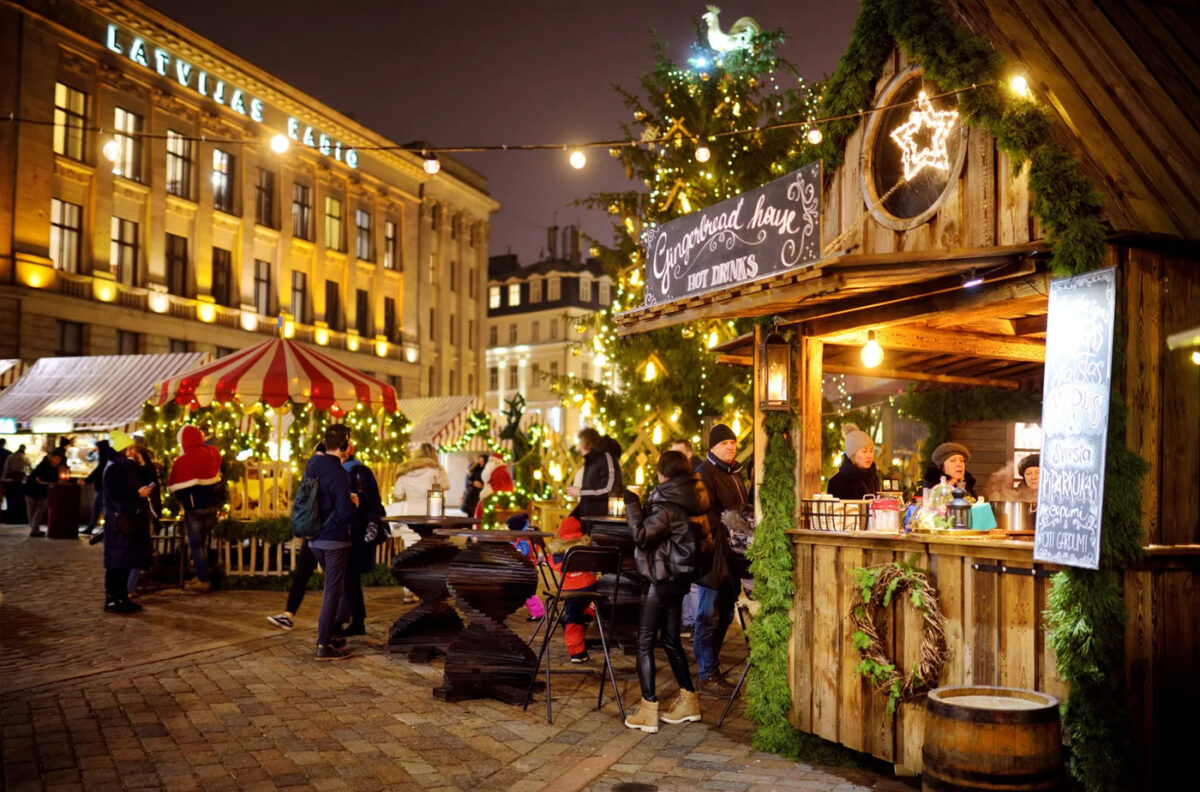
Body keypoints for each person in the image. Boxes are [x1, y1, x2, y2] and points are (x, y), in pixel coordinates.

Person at [622, 450, 711, 733]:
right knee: (671, 639)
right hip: (679, 580)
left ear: (663, 475)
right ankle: (689, 700)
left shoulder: (667, 506)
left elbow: (641, 536)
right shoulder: (694, 500)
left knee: (645, 642)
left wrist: (632, 504)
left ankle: (648, 710)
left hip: (659, 580)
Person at [694, 423, 749, 696]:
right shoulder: (704, 473)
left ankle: (711, 666)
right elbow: (701, 513)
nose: (731, 446)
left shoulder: (736, 473)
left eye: (733, 442)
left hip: (733, 555)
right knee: (708, 615)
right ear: (713, 447)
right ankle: (706, 673)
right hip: (713, 556)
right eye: (725, 443)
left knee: (726, 612)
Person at [304, 424, 358, 660]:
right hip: (334, 539)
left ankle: (331, 635)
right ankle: (323, 644)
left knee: (334, 588)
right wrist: (354, 502)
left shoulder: (311, 468)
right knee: (332, 592)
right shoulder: (339, 474)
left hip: (314, 538)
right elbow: (345, 513)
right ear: (345, 445)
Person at [101, 431, 153, 613]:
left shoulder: (128, 466)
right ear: (122, 450)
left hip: (130, 520)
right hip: (119, 522)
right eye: (130, 448)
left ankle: (122, 596)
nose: (133, 451)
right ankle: (112, 599)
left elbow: (149, 478)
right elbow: (115, 495)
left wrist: (143, 462)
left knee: (126, 560)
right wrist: (136, 494)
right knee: (117, 562)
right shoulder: (115, 468)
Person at [167, 425, 223, 593]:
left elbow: (178, 488)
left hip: (194, 509)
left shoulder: (183, 460)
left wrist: (183, 502)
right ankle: (201, 575)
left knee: (196, 546)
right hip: (211, 506)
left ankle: (204, 580)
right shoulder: (210, 453)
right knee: (203, 545)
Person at [339, 449, 385, 638]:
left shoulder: (355, 472)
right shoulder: (354, 471)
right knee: (351, 577)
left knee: (349, 575)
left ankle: (349, 619)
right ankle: (357, 620)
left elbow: (372, 501)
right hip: (358, 529)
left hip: (357, 531)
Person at [544, 515, 598, 663]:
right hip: (590, 588)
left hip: (570, 592)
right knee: (596, 600)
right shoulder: (588, 547)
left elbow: (550, 563)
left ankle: (577, 653)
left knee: (573, 619)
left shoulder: (559, 553)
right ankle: (589, 612)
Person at [126, 445, 162, 598]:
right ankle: (128, 588)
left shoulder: (145, 468)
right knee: (133, 550)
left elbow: (153, 484)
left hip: (142, 512)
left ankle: (130, 587)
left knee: (136, 550)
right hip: (132, 513)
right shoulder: (127, 467)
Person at [567, 427, 620, 518]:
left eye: (580, 443)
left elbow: (608, 488)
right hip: (589, 518)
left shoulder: (606, 457)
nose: (578, 448)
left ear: (587, 442)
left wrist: (581, 491)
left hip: (601, 519)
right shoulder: (591, 461)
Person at [826, 424, 880, 500]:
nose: (869, 456)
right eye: (864, 451)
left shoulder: (873, 477)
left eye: (871, 451)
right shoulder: (837, 482)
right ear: (852, 455)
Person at [25, 450, 64, 538]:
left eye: (59, 459)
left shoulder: (55, 468)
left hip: (42, 491)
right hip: (32, 489)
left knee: (39, 509)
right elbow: (38, 479)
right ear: (51, 458)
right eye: (56, 459)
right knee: (32, 509)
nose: (57, 461)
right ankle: (34, 528)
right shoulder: (43, 465)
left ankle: (35, 528)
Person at [81, 440, 114, 535]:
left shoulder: (104, 457)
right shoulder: (107, 456)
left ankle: (105, 529)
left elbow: (98, 471)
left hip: (103, 487)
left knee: (101, 508)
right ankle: (93, 527)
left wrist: (87, 480)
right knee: (98, 508)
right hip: (104, 487)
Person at [4, 444, 28, 524]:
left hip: (11, 481)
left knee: (11, 501)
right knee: (20, 501)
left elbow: (6, 469)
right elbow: (29, 468)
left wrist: (4, 479)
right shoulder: (25, 457)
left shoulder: (11, 457)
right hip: (20, 482)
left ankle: (11, 518)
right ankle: (19, 519)